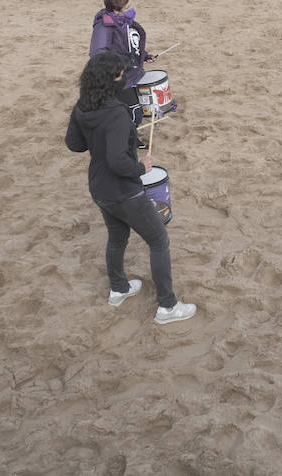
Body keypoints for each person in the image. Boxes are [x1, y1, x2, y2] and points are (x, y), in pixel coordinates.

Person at [66, 52, 197, 325]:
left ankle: (119, 289)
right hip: (124, 191)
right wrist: (141, 168)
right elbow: (117, 161)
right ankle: (167, 307)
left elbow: (74, 144)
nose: (124, 79)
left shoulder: (82, 106)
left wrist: (98, 140)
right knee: (159, 241)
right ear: (109, 80)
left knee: (117, 237)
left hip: (99, 188)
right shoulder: (116, 113)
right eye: (120, 75)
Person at [88, 0, 155, 130]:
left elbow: (128, 46)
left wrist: (143, 56)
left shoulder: (124, 21)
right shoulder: (104, 27)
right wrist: (118, 69)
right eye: (127, 7)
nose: (131, 9)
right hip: (116, 79)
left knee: (132, 113)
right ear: (116, 10)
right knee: (134, 114)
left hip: (130, 75)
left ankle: (128, 136)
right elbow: (98, 55)